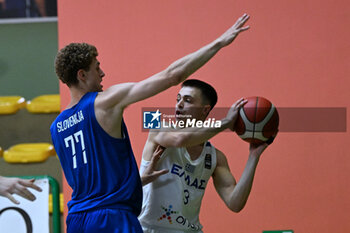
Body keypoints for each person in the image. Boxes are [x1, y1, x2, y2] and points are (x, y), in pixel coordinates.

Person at [50, 13, 250, 233]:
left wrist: (134, 183)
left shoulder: (57, 126)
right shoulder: (105, 102)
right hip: (112, 218)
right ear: (82, 75)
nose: (102, 73)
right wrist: (219, 42)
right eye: (97, 68)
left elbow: (94, 178)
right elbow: (173, 75)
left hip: (77, 219)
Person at [139, 79, 275, 233]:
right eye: (178, 99)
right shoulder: (159, 129)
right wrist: (225, 122)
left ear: (205, 110)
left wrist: (253, 156)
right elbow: (181, 139)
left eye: (187, 100)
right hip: (150, 229)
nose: (179, 104)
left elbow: (235, 203)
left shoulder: (215, 157)